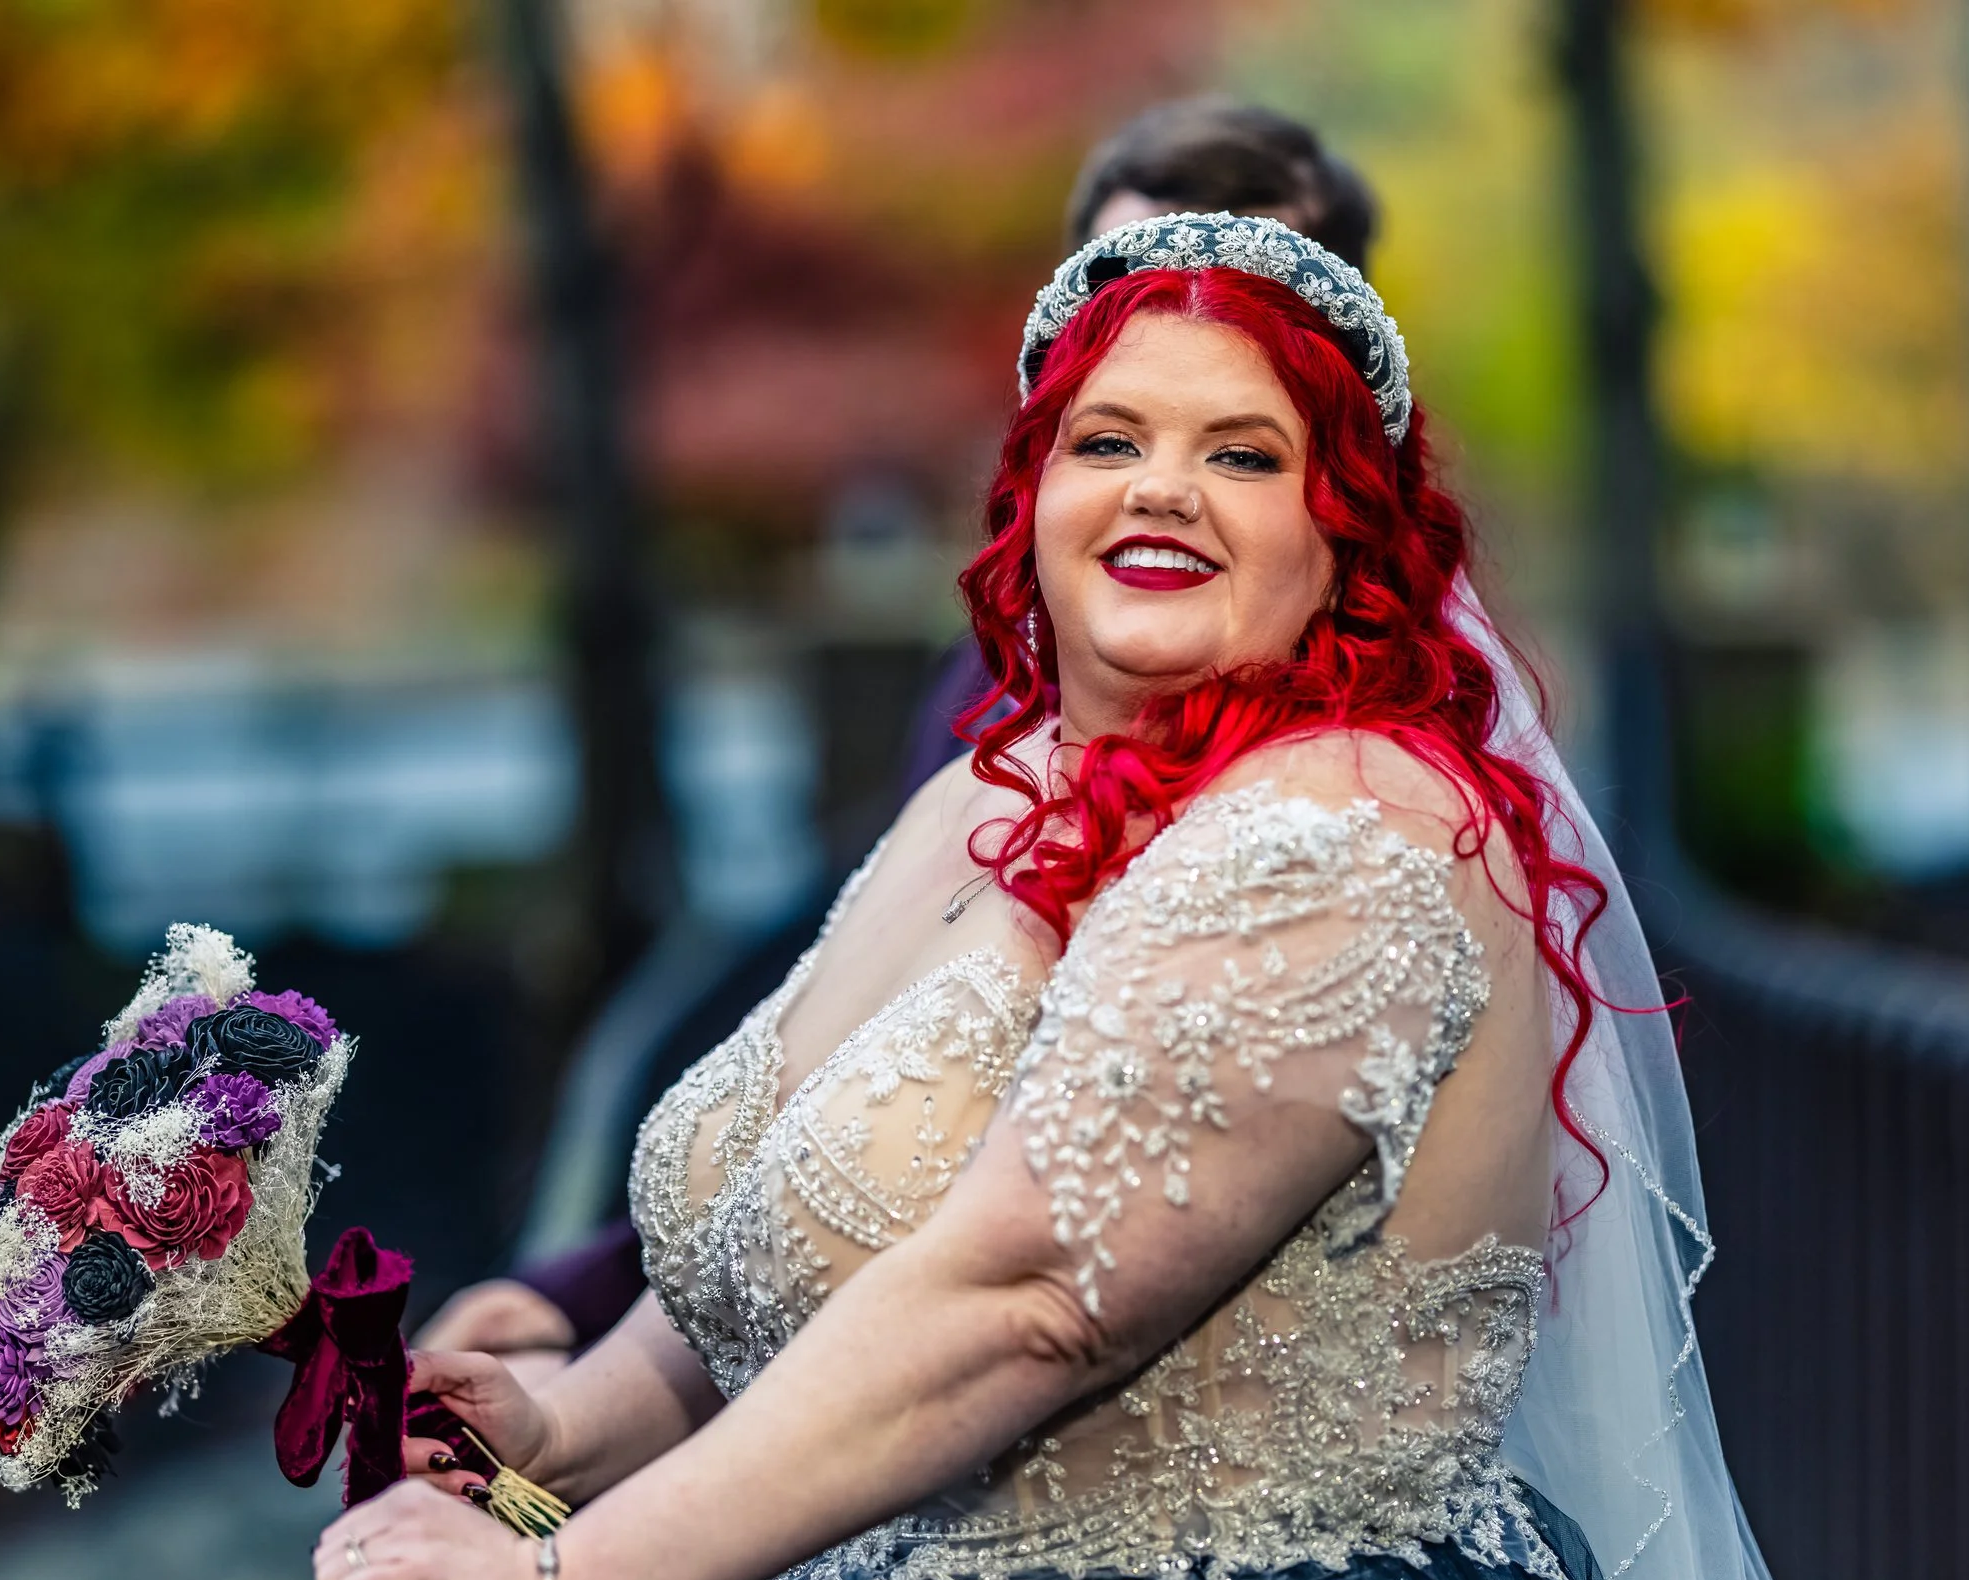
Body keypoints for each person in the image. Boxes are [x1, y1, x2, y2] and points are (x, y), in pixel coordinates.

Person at [314, 215, 1805, 1580]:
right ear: (1034, 493)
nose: (1164, 490)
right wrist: (569, 1424)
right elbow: (768, 1246)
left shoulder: (1352, 829)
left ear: (1345, 528)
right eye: (1109, 442)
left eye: (1243, 453)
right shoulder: (983, 791)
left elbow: (1026, 1299)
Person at [424, 100, 1388, 1364]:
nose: (1173, 346)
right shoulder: (983, 698)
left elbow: (1041, 1278)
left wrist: (574, 1567)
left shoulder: (1371, 782)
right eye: (1119, 305)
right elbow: (882, 1037)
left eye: (1239, 311)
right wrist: (592, 1300)